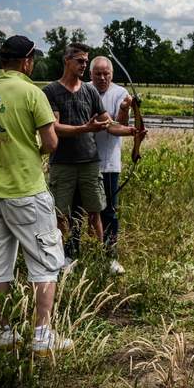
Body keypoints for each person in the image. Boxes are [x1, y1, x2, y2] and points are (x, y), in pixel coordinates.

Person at [0, 35, 72, 356]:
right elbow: (51, 143)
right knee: (45, 261)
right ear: (26, 61)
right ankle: (42, 335)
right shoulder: (32, 93)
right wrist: (31, 144)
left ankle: (3, 332)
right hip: (26, 191)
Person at [66, 56, 144, 274]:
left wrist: (127, 109)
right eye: (98, 74)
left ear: (112, 74)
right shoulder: (82, 89)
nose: (102, 78)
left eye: (106, 73)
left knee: (108, 212)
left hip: (108, 164)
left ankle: (109, 257)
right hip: (82, 162)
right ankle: (72, 255)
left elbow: (121, 124)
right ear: (90, 74)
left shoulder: (119, 93)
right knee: (77, 212)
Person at [42, 43, 112, 270]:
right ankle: (63, 258)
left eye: (85, 61)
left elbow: (105, 121)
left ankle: (99, 259)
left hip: (89, 162)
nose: (84, 65)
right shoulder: (51, 91)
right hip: (62, 163)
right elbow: (55, 127)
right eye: (80, 61)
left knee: (95, 211)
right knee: (61, 214)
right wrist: (85, 128)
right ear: (67, 61)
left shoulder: (90, 91)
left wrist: (131, 129)